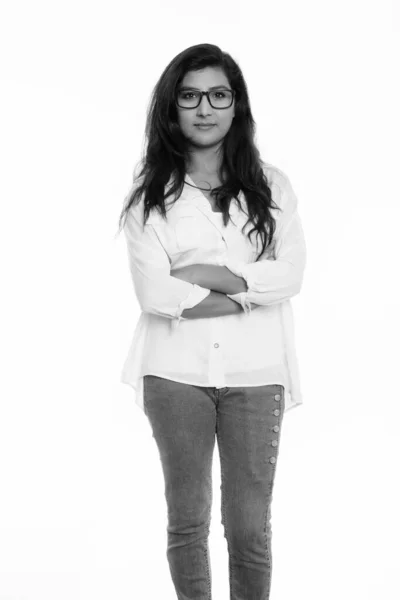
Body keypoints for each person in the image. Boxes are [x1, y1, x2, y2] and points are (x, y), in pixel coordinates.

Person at [117, 43, 307, 600]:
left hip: (257, 371)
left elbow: (291, 274)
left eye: (218, 94)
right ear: (172, 108)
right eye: (190, 95)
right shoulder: (151, 195)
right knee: (189, 521)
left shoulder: (273, 187)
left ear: (236, 104)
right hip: (174, 372)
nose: (205, 107)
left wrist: (203, 275)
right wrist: (250, 286)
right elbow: (155, 294)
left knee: (249, 528)